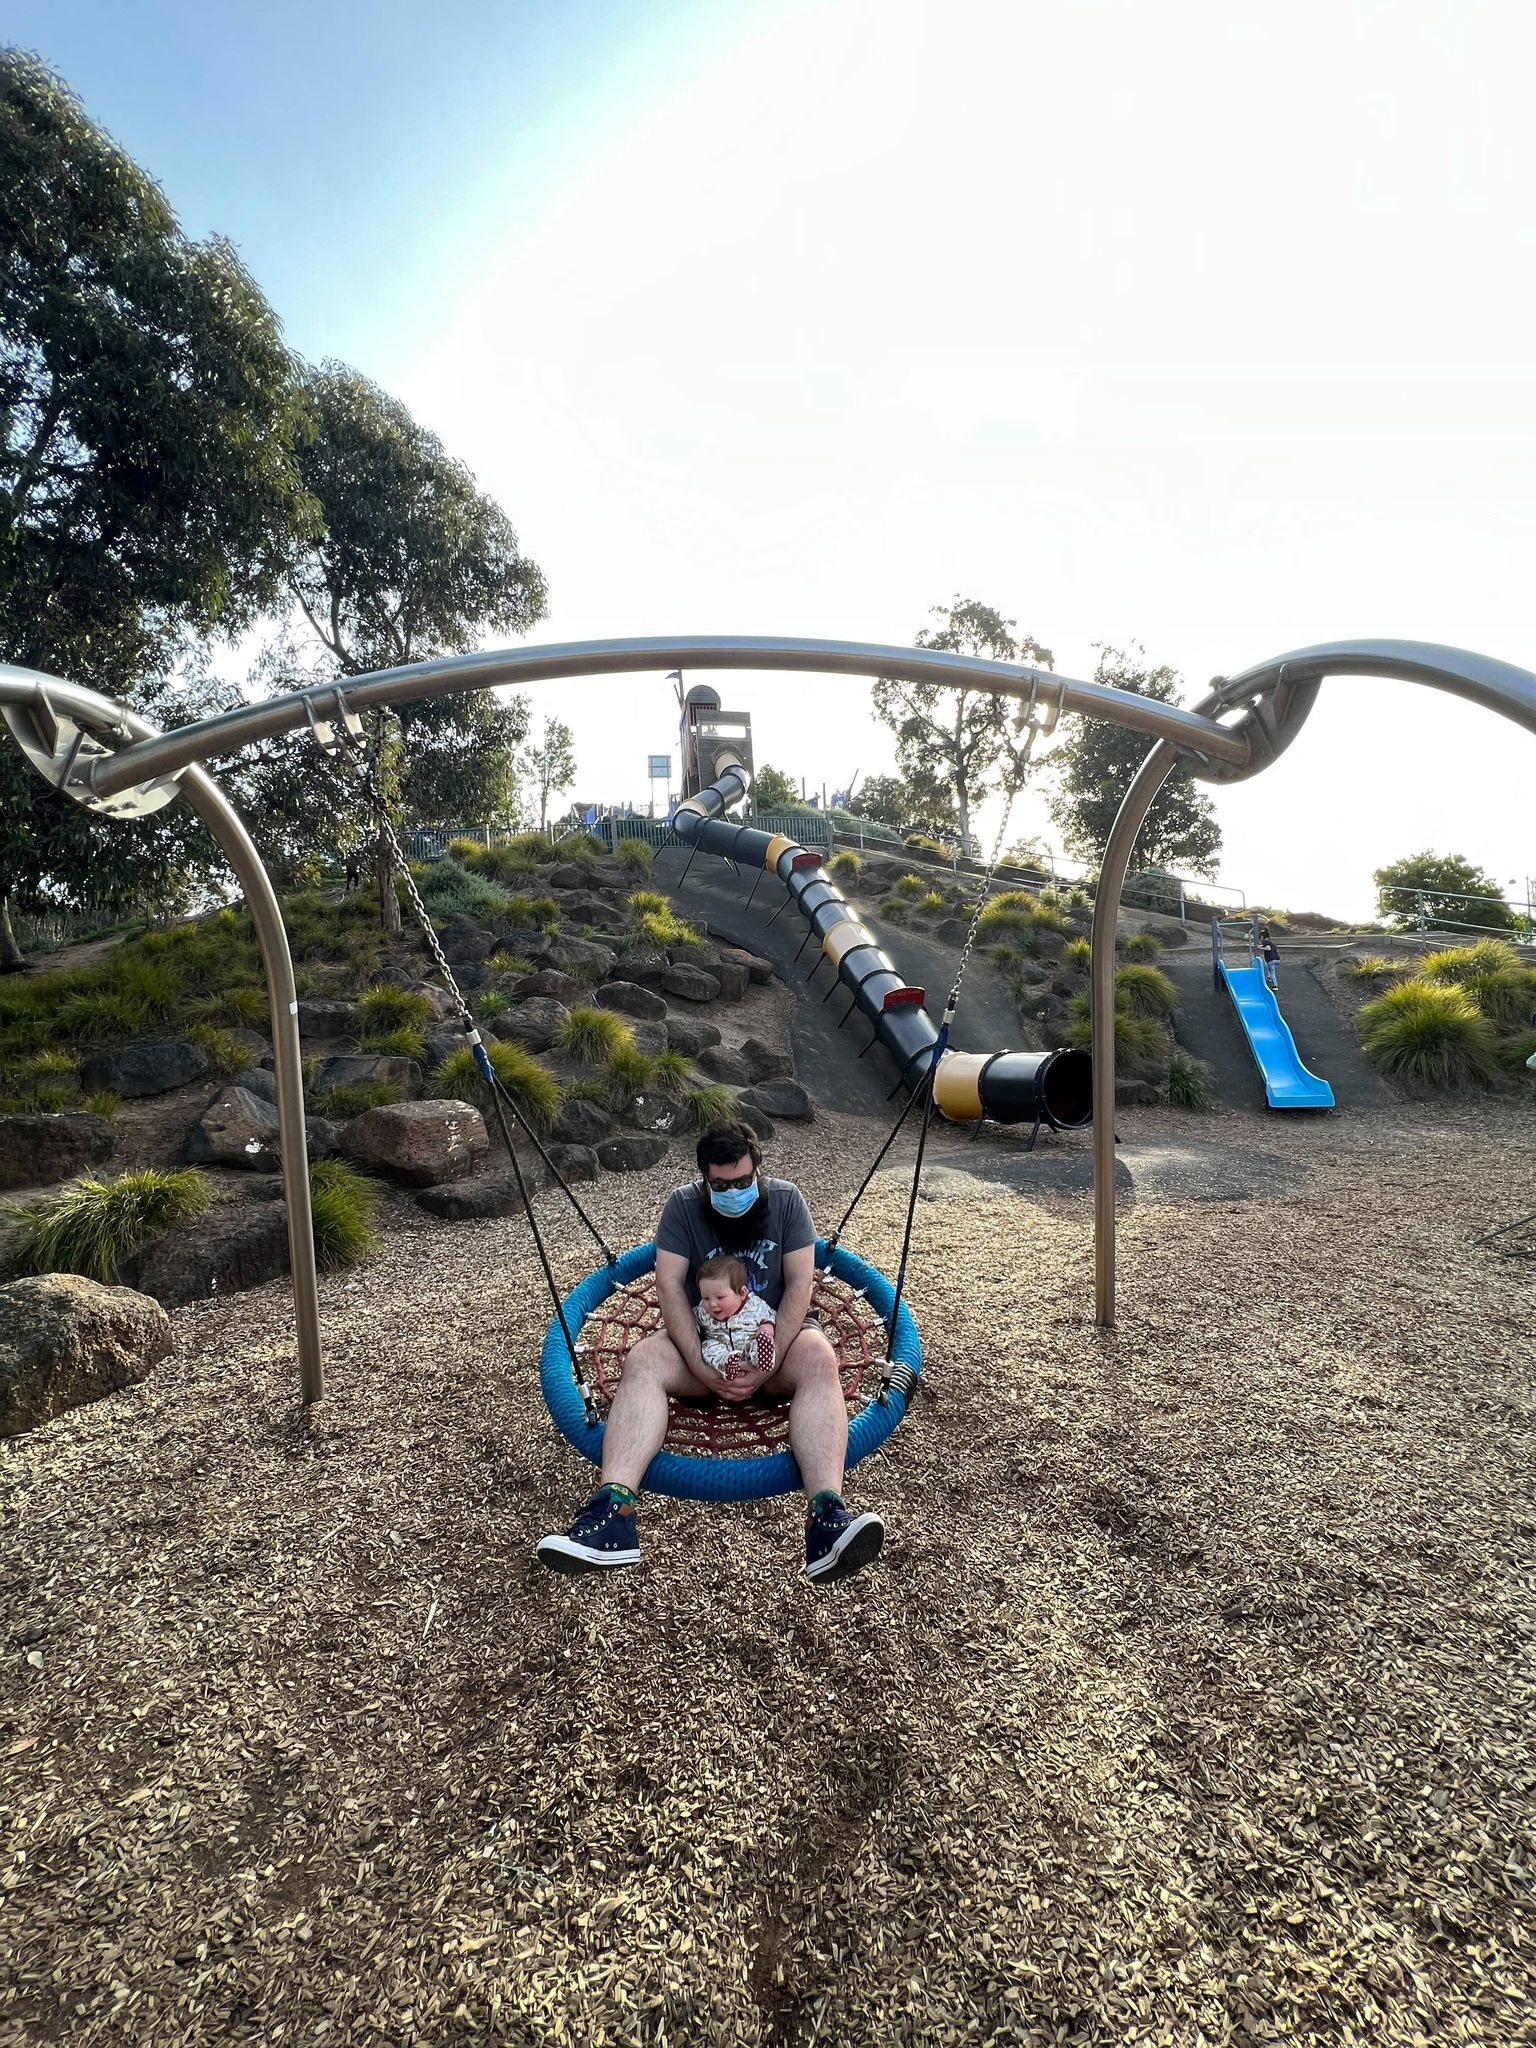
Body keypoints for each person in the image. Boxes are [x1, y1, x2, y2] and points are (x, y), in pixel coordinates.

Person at [536, 1120, 886, 1584]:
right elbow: (668, 1286)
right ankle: (613, 1515)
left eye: (743, 1181)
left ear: (758, 1169)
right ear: (704, 1179)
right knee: (642, 1359)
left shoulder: (786, 1201)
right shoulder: (682, 1207)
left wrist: (769, 1361)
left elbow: (802, 1283)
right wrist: (699, 1363)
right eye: (721, 1185)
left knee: (820, 1356)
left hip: (772, 1340)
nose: (734, 1191)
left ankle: (826, 1518)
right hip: (704, 1345)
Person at [693, 1252, 777, 1383]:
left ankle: (763, 1359)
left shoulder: (753, 1305)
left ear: (742, 1293)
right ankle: (727, 1365)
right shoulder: (703, 1311)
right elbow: (692, 1319)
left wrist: (767, 1327)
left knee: (756, 1344)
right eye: (706, 1298)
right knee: (708, 1347)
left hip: (748, 1344)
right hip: (722, 1348)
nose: (712, 1304)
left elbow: (771, 1315)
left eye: (720, 1297)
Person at [1259, 923, 1280, 992]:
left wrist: (1259, 948)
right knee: (1269, 967)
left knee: (1272, 972)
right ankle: (1268, 977)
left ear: (1263, 937)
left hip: (1271, 960)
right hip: (1277, 959)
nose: (1260, 940)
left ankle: (1275, 985)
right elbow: (1276, 950)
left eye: (1261, 938)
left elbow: (1268, 948)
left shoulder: (1265, 941)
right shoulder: (1271, 942)